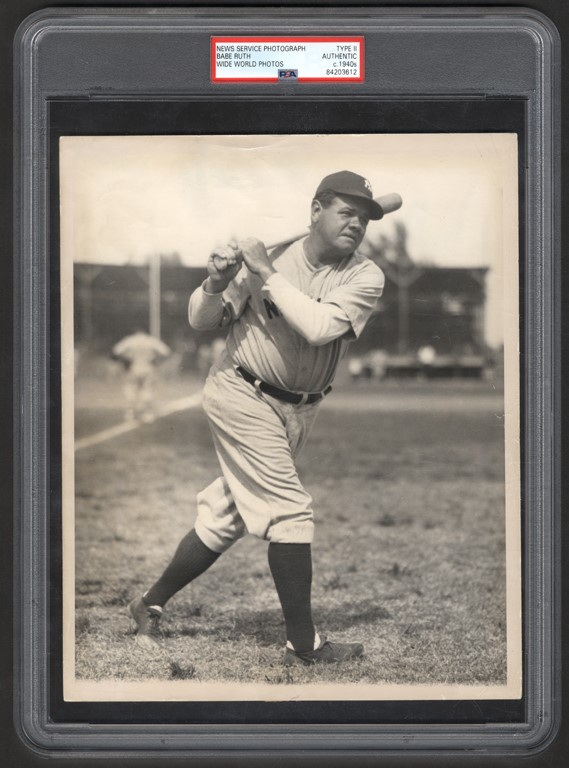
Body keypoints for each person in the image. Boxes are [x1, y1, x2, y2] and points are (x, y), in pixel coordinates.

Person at [128, 171, 386, 665]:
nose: (357, 224)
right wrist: (216, 282)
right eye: (345, 212)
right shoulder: (272, 260)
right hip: (241, 392)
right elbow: (202, 321)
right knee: (290, 510)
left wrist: (268, 274)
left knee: (227, 516)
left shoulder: (364, 276)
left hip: (300, 409)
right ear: (316, 211)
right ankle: (303, 646)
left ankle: (148, 603)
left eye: (365, 217)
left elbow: (319, 327)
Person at [111, 331, 171, 422]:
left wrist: (126, 359)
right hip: (147, 367)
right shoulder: (150, 340)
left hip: (134, 367)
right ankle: (147, 414)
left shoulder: (130, 340)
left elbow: (116, 351)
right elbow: (166, 352)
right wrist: (155, 359)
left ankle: (130, 414)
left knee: (131, 389)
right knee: (147, 389)